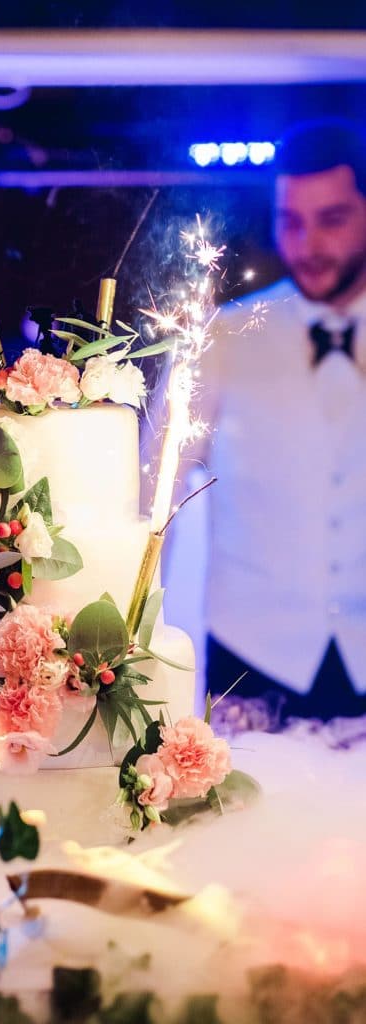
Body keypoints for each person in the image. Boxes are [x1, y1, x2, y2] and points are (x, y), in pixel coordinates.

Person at [164, 119, 366, 724]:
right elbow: (157, 493)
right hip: (251, 656)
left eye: (331, 219)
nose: (308, 245)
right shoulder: (221, 335)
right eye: (291, 222)